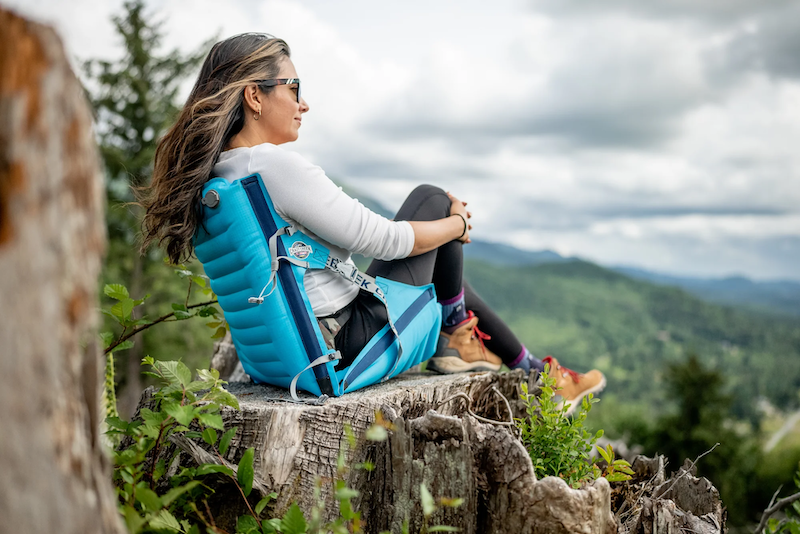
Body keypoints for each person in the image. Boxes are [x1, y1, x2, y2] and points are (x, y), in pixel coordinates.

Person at [141, 33, 605, 413]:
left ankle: (499, 353)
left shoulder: (217, 180)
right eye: (294, 87)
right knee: (432, 201)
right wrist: (457, 226)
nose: (304, 103)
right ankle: (496, 353)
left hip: (285, 357)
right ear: (254, 96)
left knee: (442, 272)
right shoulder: (273, 168)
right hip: (343, 345)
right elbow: (382, 238)